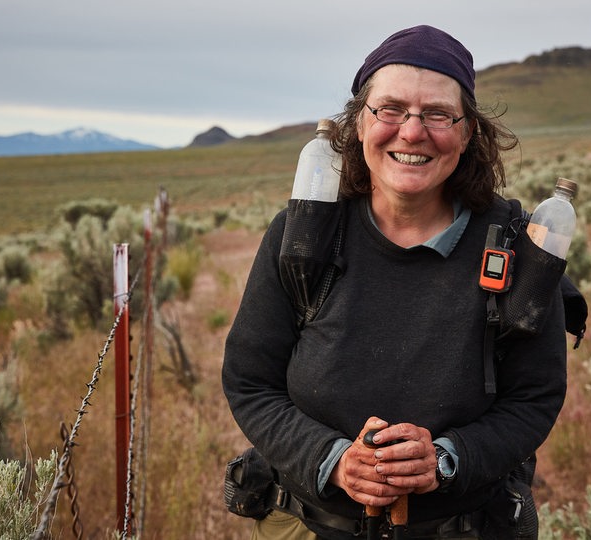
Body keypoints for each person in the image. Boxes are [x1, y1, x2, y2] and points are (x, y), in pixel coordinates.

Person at [223, 24, 567, 540]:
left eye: (437, 114)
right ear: (359, 124)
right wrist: (333, 460)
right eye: (390, 109)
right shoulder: (303, 238)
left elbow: (535, 397)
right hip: (309, 525)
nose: (411, 132)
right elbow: (250, 382)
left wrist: (447, 461)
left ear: (468, 132)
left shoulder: (517, 248)